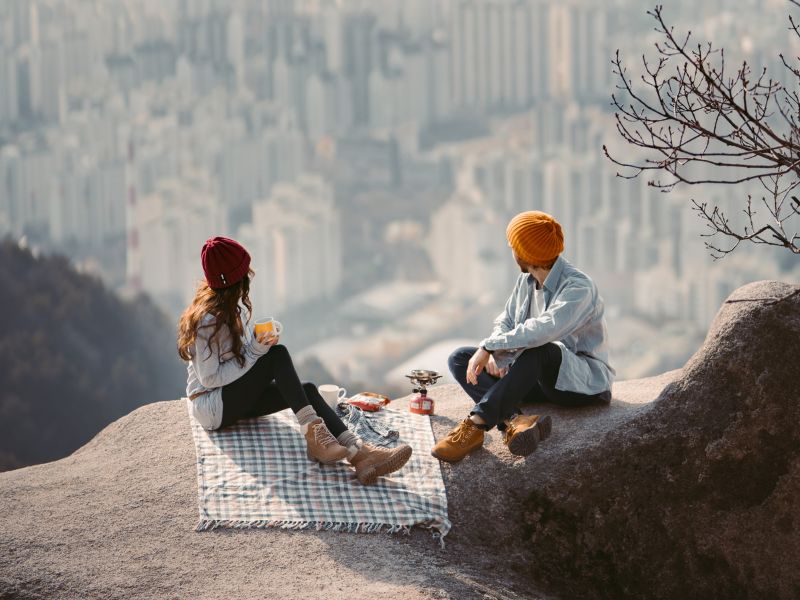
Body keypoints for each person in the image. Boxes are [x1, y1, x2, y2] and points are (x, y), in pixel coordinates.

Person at [177, 236, 412, 485]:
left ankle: (360, 455)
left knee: (307, 390)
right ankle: (315, 437)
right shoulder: (207, 320)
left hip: (228, 399)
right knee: (276, 357)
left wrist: (257, 341)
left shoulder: (225, 307)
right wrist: (257, 351)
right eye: (245, 272)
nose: (249, 276)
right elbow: (210, 378)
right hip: (212, 406)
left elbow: (234, 358)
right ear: (234, 279)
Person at [432, 211, 614, 463]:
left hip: (582, 385)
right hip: (537, 379)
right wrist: (494, 353)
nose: (511, 251)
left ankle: (476, 424)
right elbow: (505, 321)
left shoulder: (577, 287)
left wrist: (492, 346)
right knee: (461, 358)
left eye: (513, 246)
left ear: (524, 253)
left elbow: (545, 330)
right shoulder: (526, 281)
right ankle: (515, 421)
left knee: (541, 348)